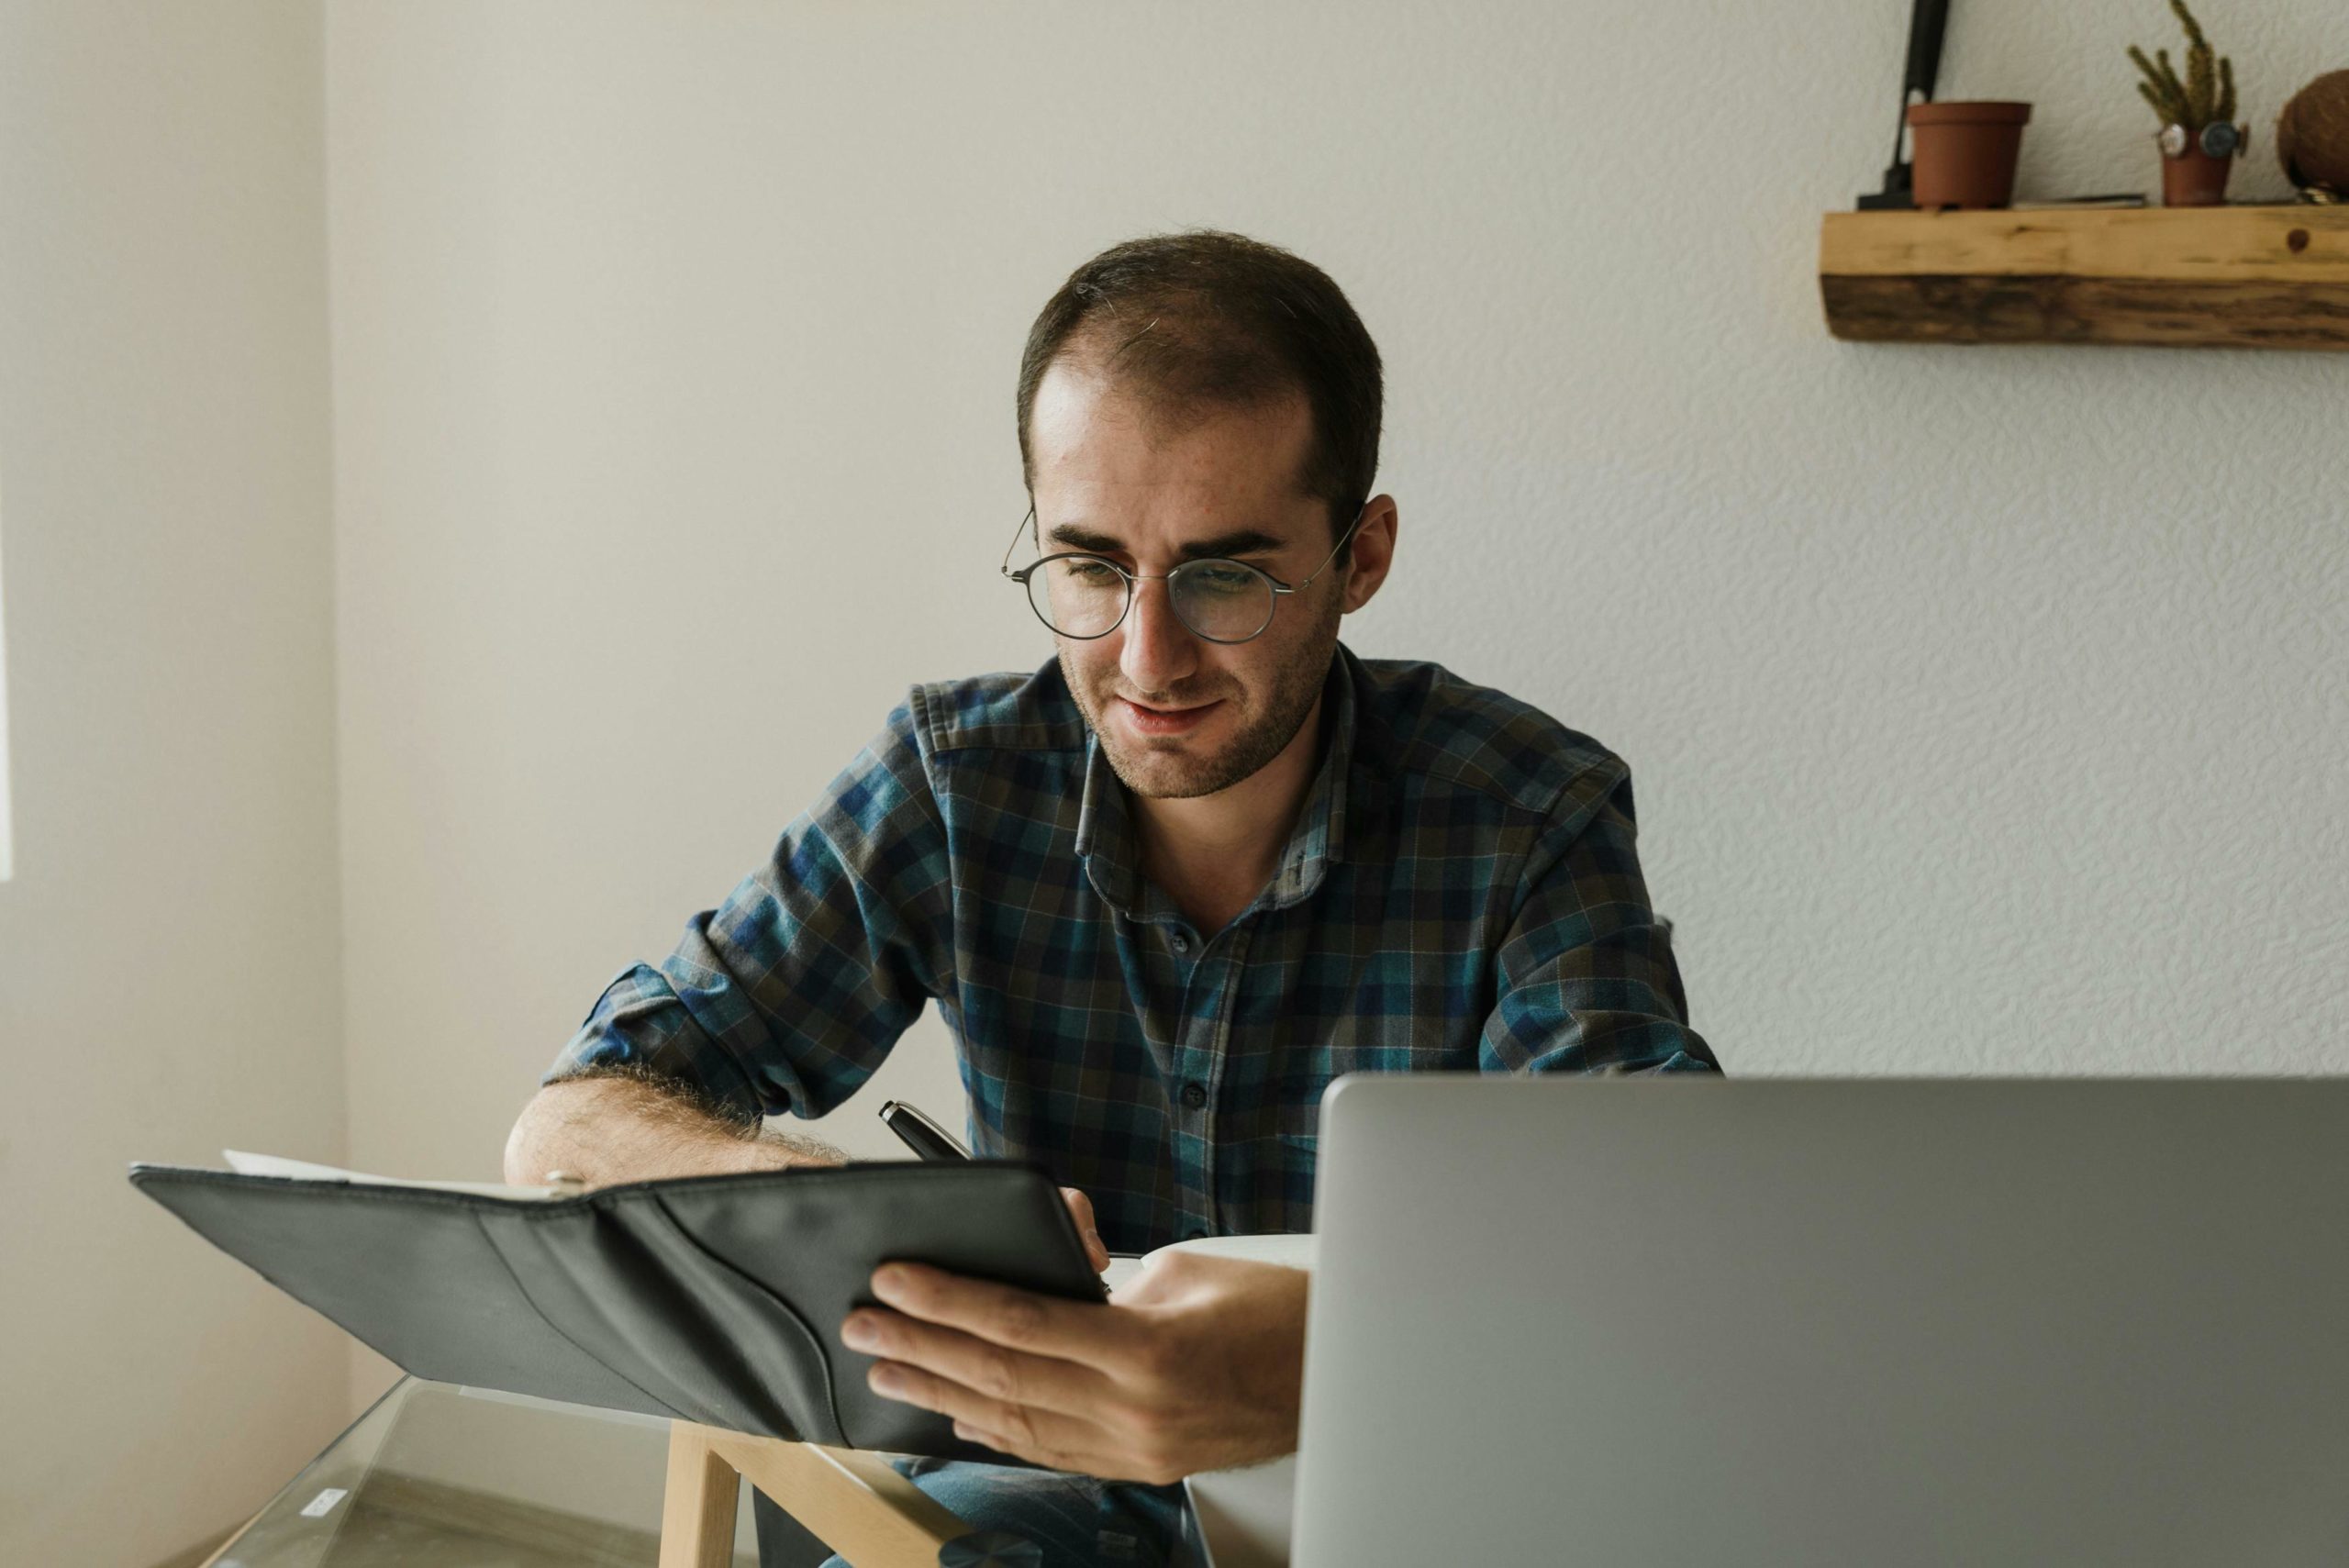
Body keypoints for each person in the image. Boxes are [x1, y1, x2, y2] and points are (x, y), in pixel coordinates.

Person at [502, 228, 1720, 1567]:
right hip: (1023, 1507)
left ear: (1360, 556)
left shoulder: (1527, 816)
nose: (1145, 657)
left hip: (1400, 1498)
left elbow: (1659, 1238)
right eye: (1088, 566)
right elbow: (569, 1125)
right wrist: (853, 1223)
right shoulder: (955, 782)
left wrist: (1326, 1354)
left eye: (1221, 575)